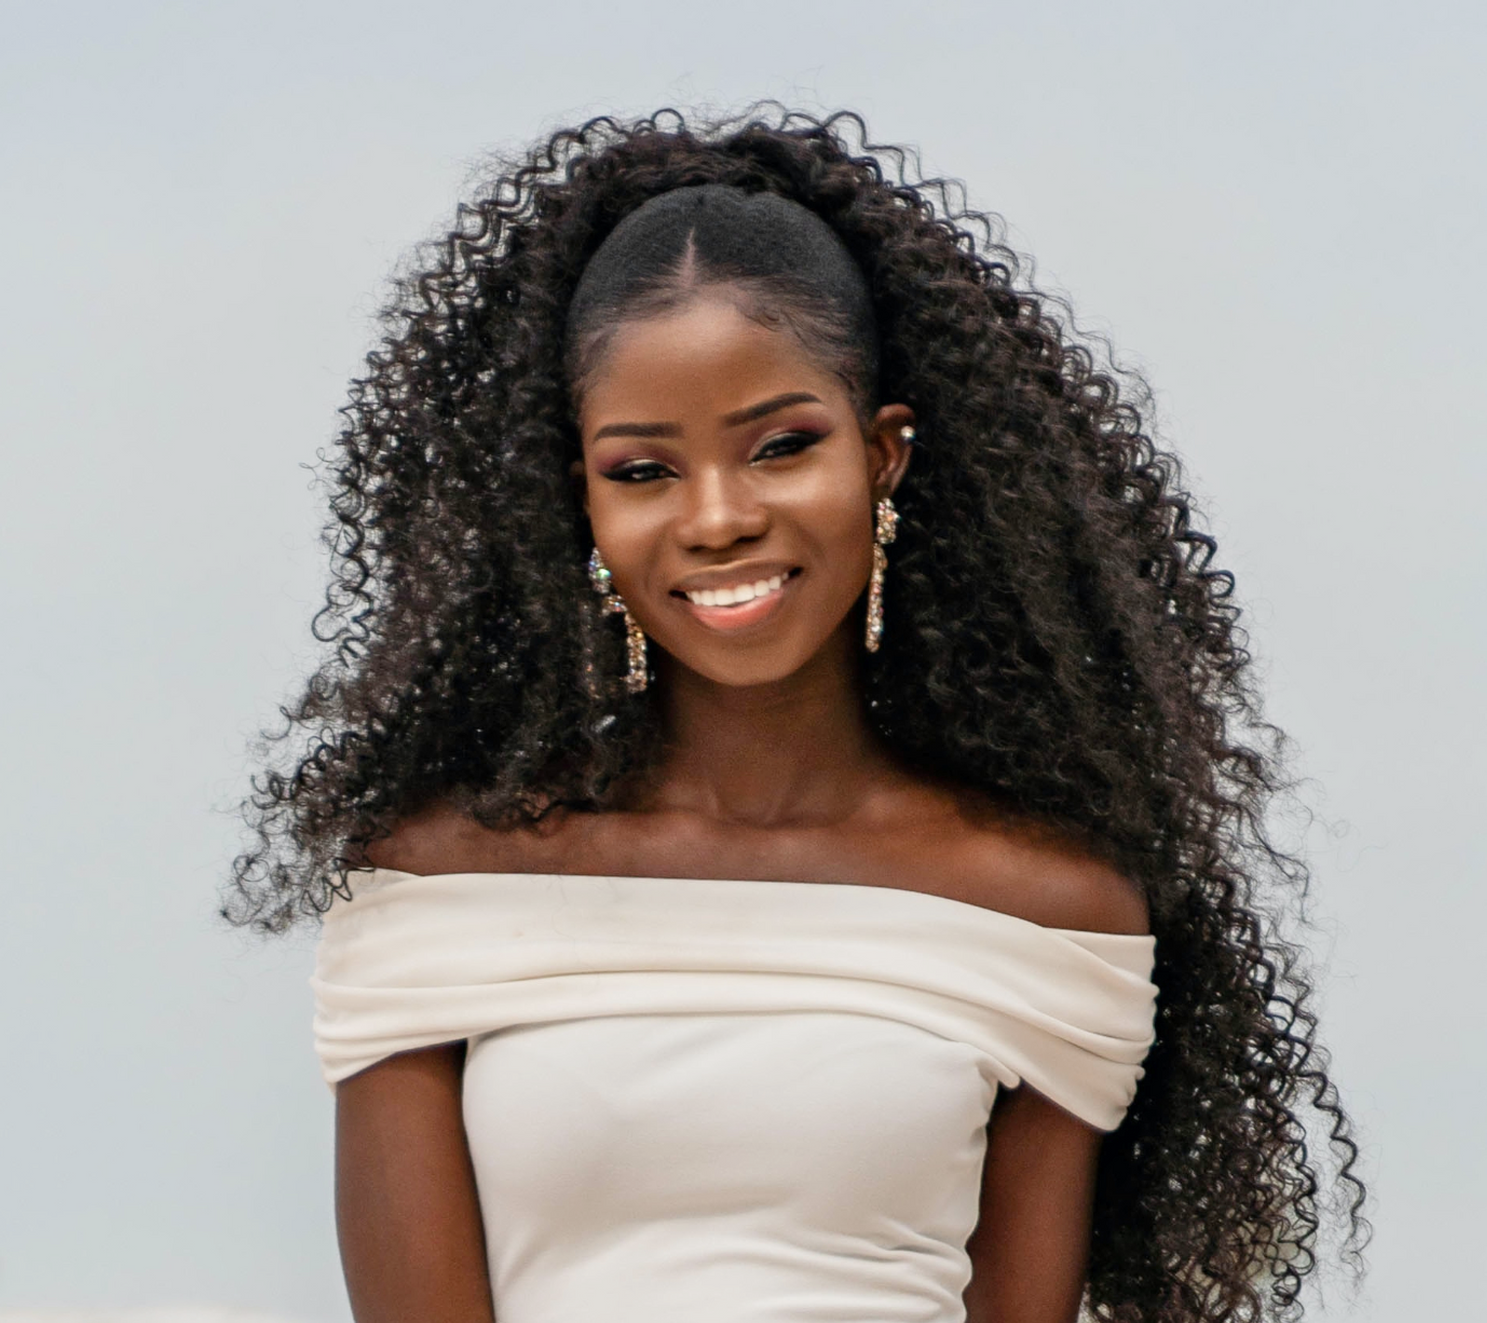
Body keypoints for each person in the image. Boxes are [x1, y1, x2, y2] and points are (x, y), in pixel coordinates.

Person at [227, 107, 1363, 1323]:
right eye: (644, 469)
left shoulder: (1046, 909)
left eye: (779, 446)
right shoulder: (435, 884)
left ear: (883, 456)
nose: (715, 517)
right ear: (582, 503)